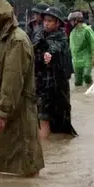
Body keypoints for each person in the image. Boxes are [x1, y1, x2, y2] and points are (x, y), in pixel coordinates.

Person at [0, 0, 44, 177]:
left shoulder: (17, 41)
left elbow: (12, 79)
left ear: (0, 17)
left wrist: (2, 112)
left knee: (24, 162)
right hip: (6, 109)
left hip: (16, 112)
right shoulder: (4, 40)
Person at [33, 7, 77, 139]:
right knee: (42, 116)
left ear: (57, 23)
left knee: (55, 117)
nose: (46, 23)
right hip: (41, 83)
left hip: (57, 85)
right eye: (45, 20)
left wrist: (48, 53)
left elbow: (55, 49)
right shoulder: (38, 35)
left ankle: (48, 150)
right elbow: (33, 51)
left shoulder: (61, 38)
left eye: (50, 21)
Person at [68, 11, 94, 87]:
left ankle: (90, 89)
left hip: (87, 58)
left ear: (77, 20)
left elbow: (93, 43)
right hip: (76, 60)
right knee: (78, 81)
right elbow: (71, 47)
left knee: (86, 75)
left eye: (71, 20)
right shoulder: (73, 33)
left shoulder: (87, 30)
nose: (70, 23)